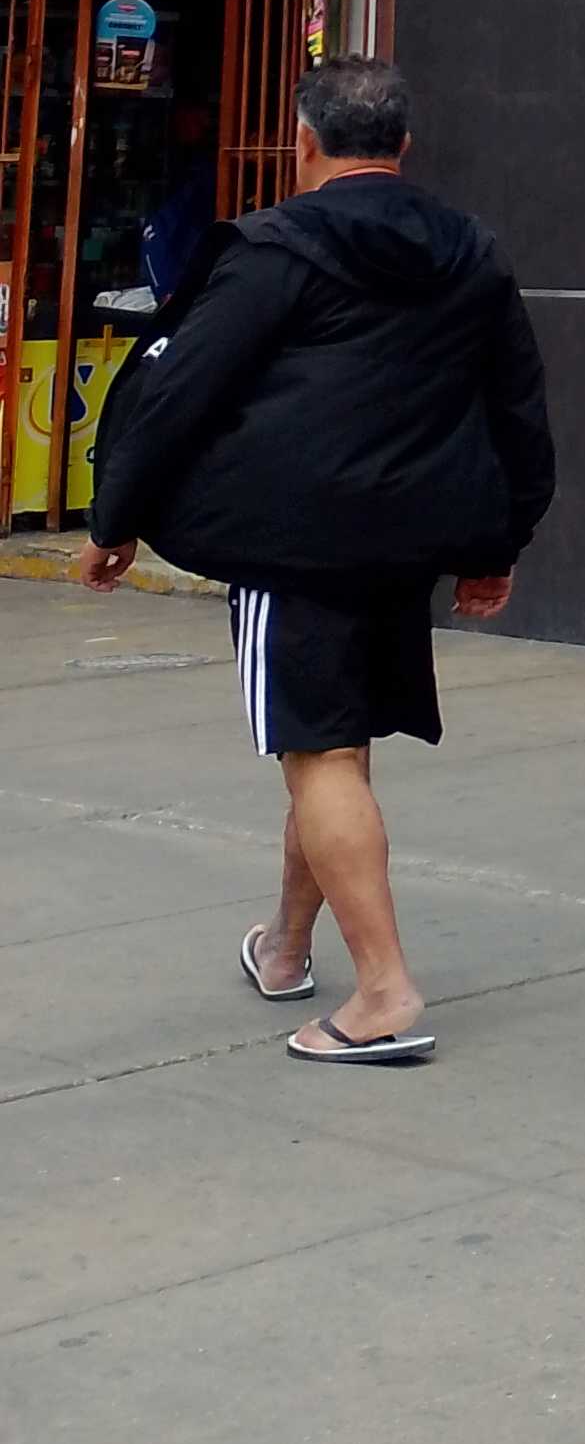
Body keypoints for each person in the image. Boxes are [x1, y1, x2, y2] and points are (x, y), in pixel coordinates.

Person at [80, 57, 556, 1069]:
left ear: (304, 142)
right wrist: (498, 544)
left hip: (294, 543)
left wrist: (113, 519)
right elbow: (517, 406)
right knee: (336, 744)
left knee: (321, 753)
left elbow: (178, 393)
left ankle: (383, 993)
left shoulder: (275, 248)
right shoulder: (471, 250)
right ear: (404, 146)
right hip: (407, 542)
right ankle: (288, 948)